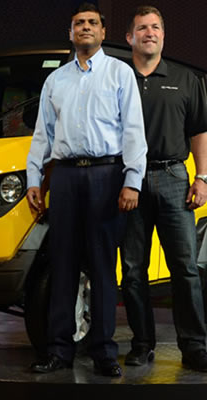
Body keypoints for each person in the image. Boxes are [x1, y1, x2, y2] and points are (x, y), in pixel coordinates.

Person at [27, 3, 147, 377]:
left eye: (92, 23)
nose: (85, 28)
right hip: (63, 178)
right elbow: (41, 135)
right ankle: (59, 351)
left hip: (105, 176)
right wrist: (34, 179)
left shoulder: (119, 73)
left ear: (103, 31)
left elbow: (133, 131)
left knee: (101, 267)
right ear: (71, 32)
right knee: (61, 265)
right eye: (79, 23)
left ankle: (104, 353)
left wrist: (132, 180)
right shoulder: (56, 81)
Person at [121, 6, 207, 372]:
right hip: (130, 182)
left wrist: (202, 177)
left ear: (163, 35)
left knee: (185, 268)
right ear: (130, 37)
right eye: (142, 28)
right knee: (133, 269)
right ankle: (142, 344)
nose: (150, 33)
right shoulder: (118, 79)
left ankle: (195, 346)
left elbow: (200, 130)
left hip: (174, 179)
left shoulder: (186, 79)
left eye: (156, 27)